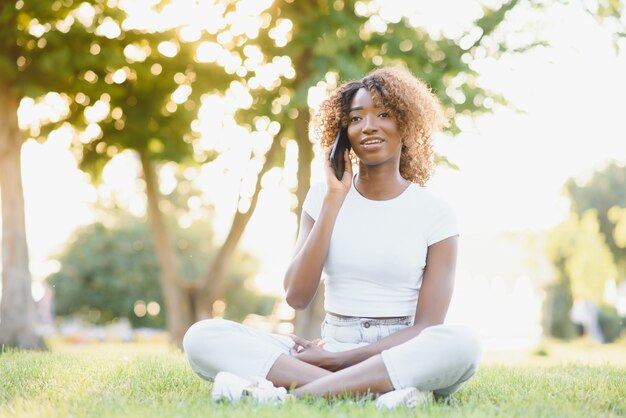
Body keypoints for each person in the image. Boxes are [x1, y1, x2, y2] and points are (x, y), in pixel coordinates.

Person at [183, 66, 482, 408]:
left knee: (462, 344)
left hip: (396, 351)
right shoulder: (322, 198)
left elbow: (428, 327)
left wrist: (335, 362)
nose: (368, 126)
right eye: (356, 119)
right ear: (343, 135)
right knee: (203, 337)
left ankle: (290, 396)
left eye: (383, 114)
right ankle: (378, 394)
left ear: (407, 123)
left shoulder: (436, 213)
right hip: (330, 344)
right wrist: (333, 200)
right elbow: (297, 295)